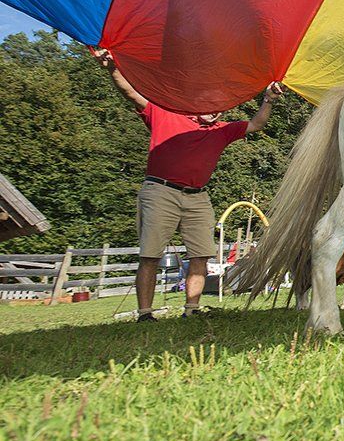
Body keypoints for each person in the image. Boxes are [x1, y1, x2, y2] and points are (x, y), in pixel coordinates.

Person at [91, 48, 283, 320]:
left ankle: (191, 309)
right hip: (160, 191)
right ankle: (145, 313)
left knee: (201, 255)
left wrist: (269, 100)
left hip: (198, 197)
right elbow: (131, 93)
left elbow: (256, 124)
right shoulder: (165, 115)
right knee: (150, 256)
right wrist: (111, 68)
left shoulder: (222, 131)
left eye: (221, 107)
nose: (215, 111)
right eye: (210, 103)